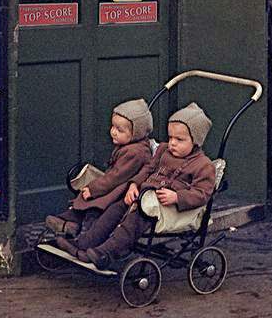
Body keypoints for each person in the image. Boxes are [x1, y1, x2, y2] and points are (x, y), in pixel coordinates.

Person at [56, 103, 217, 269]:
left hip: (167, 208)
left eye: (179, 140)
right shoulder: (163, 150)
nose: (172, 143)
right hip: (144, 196)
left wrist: (177, 197)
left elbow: (202, 194)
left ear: (196, 140)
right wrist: (134, 185)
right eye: (170, 138)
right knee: (115, 209)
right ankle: (83, 243)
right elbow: (147, 169)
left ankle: (107, 252)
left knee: (134, 220)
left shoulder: (203, 165)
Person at [45, 98, 153, 238]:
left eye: (119, 130)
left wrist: (93, 188)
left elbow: (116, 176)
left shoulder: (135, 152)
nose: (113, 132)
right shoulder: (129, 147)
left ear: (135, 133)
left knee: (95, 200)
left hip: (120, 189)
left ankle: (84, 229)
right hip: (115, 184)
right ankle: (71, 220)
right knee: (89, 196)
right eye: (113, 127)